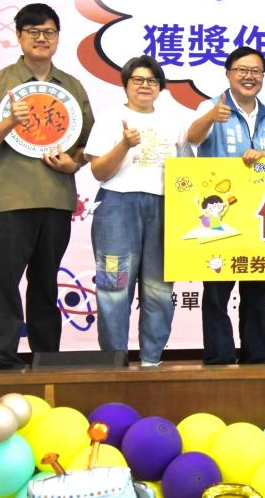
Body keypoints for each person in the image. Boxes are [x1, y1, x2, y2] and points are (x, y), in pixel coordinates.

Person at [0, 3, 94, 369]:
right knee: (4, 281)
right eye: (33, 32)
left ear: (57, 38)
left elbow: (87, 145)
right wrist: (8, 122)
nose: (42, 38)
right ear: (19, 36)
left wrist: (75, 162)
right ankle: (6, 359)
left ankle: (46, 358)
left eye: (49, 32)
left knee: (46, 282)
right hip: (10, 200)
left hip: (56, 199)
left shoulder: (71, 86)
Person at [84, 56, 191, 367]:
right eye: (138, 80)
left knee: (159, 289)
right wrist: (124, 145)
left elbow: (186, 170)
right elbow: (99, 171)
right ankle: (114, 361)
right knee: (113, 287)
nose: (145, 86)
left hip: (164, 206)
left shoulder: (175, 121)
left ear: (160, 87)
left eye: (152, 81)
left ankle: (151, 360)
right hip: (117, 206)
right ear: (126, 84)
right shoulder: (110, 119)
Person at [187, 46, 265, 364]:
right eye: (242, 70)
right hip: (218, 218)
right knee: (217, 293)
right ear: (228, 74)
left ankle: (255, 357)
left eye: (256, 71)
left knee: (257, 293)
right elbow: (191, 139)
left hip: (262, 217)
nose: (249, 76)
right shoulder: (210, 107)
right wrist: (210, 117)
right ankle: (219, 358)